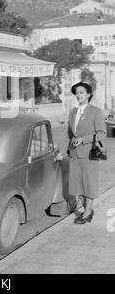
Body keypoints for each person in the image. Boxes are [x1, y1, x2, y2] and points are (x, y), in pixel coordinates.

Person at [67, 81, 106, 224]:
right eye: (77, 93)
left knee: (88, 183)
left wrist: (83, 139)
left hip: (89, 154)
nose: (79, 95)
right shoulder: (73, 112)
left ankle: (88, 211)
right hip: (74, 154)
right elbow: (69, 133)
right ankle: (84, 209)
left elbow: (102, 134)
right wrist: (67, 150)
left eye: (82, 92)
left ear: (89, 94)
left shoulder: (96, 112)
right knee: (78, 184)